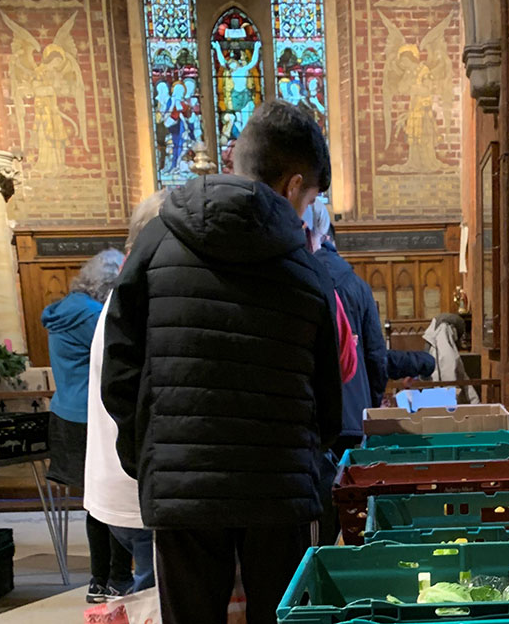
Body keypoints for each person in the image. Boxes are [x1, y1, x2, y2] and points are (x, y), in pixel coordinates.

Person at [102, 100, 343, 624]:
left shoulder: (156, 240)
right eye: (310, 197)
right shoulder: (305, 267)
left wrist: (150, 459)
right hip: (278, 490)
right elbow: (328, 396)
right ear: (291, 184)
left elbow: (120, 367)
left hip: (182, 487)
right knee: (280, 617)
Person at [83, 190, 169, 594]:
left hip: (124, 487)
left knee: (152, 593)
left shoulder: (124, 297)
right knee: (157, 600)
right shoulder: (142, 300)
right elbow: (130, 397)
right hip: (138, 491)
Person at [41, 248, 131, 603]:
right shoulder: (94, 315)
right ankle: (117, 579)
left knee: (94, 503)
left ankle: (99, 580)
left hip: (65, 412)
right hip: (93, 417)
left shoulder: (63, 310)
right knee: (113, 500)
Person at [309, 202, 387, 453]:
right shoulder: (357, 286)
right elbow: (376, 356)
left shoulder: (297, 280)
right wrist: (370, 404)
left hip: (310, 419)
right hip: (354, 415)